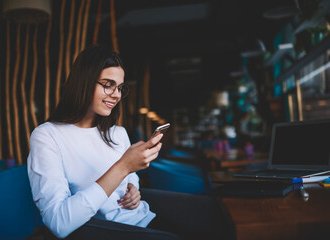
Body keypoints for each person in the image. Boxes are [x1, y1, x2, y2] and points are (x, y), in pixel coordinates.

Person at [27, 44, 225, 240]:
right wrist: (123, 167)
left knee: (217, 213)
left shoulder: (117, 133)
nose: (116, 95)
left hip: (141, 216)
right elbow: (58, 223)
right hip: (105, 228)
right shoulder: (48, 136)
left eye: (120, 88)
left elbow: (131, 178)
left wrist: (134, 189)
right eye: (107, 85)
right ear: (83, 82)